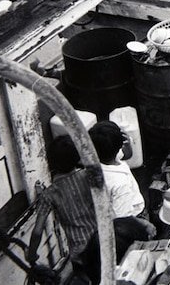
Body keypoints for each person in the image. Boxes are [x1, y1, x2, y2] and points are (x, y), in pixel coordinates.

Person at [26, 136, 99, 284]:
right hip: (100, 241)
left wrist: (32, 254)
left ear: (51, 163)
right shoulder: (88, 176)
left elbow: (38, 231)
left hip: (81, 252)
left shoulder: (50, 194)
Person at [89, 122, 155, 262]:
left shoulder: (97, 162)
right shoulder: (120, 183)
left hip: (111, 215)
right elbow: (122, 218)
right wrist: (144, 224)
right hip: (133, 220)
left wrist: (127, 146)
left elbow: (125, 155)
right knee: (139, 255)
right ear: (118, 145)